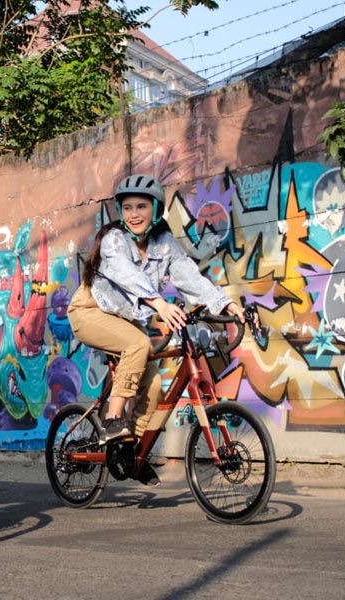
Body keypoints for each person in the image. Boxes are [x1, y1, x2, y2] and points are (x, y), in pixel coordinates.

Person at [67, 173, 245, 481]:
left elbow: (189, 277)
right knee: (138, 345)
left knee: (152, 386)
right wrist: (159, 303)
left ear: (155, 209)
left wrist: (226, 305)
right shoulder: (113, 240)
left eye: (141, 207)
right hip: (90, 311)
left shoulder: (164, 243)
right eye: (127, 208)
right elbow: (126, 275)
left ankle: (130, 452)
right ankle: (112, 419)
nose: (134, 214)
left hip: (124, 320)